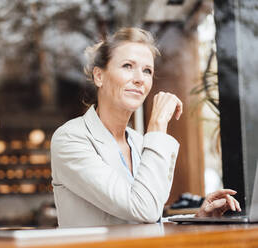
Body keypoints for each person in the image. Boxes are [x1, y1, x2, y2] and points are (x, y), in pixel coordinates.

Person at [50, 27, 241, 227]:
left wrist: (198, 219)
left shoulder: (140, 141)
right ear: (99, 76)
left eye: (147, 70)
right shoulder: (71, 138)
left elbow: (148, 219)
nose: (140, 79)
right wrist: (158, 124)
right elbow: (142, 209)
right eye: (127, 66)